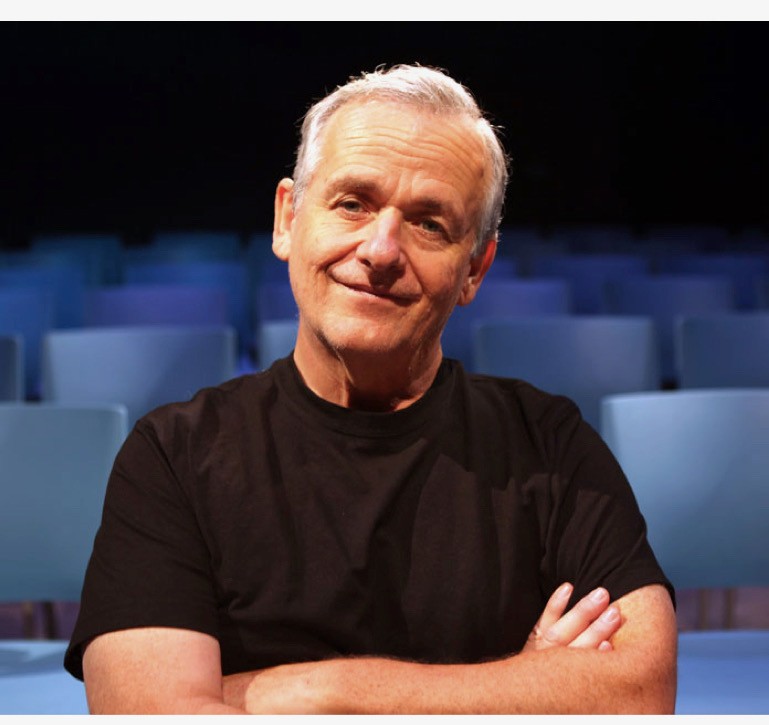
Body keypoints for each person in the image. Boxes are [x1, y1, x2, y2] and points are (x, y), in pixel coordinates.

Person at [64, 64, 677, 714]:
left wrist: (309, 692)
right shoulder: (172, 456)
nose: (381, 250)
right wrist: (525, 687)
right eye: (352, 203)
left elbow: (640, 689)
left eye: (429, 224)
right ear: (287, 219)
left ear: (474, 269)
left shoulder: (549, 443)